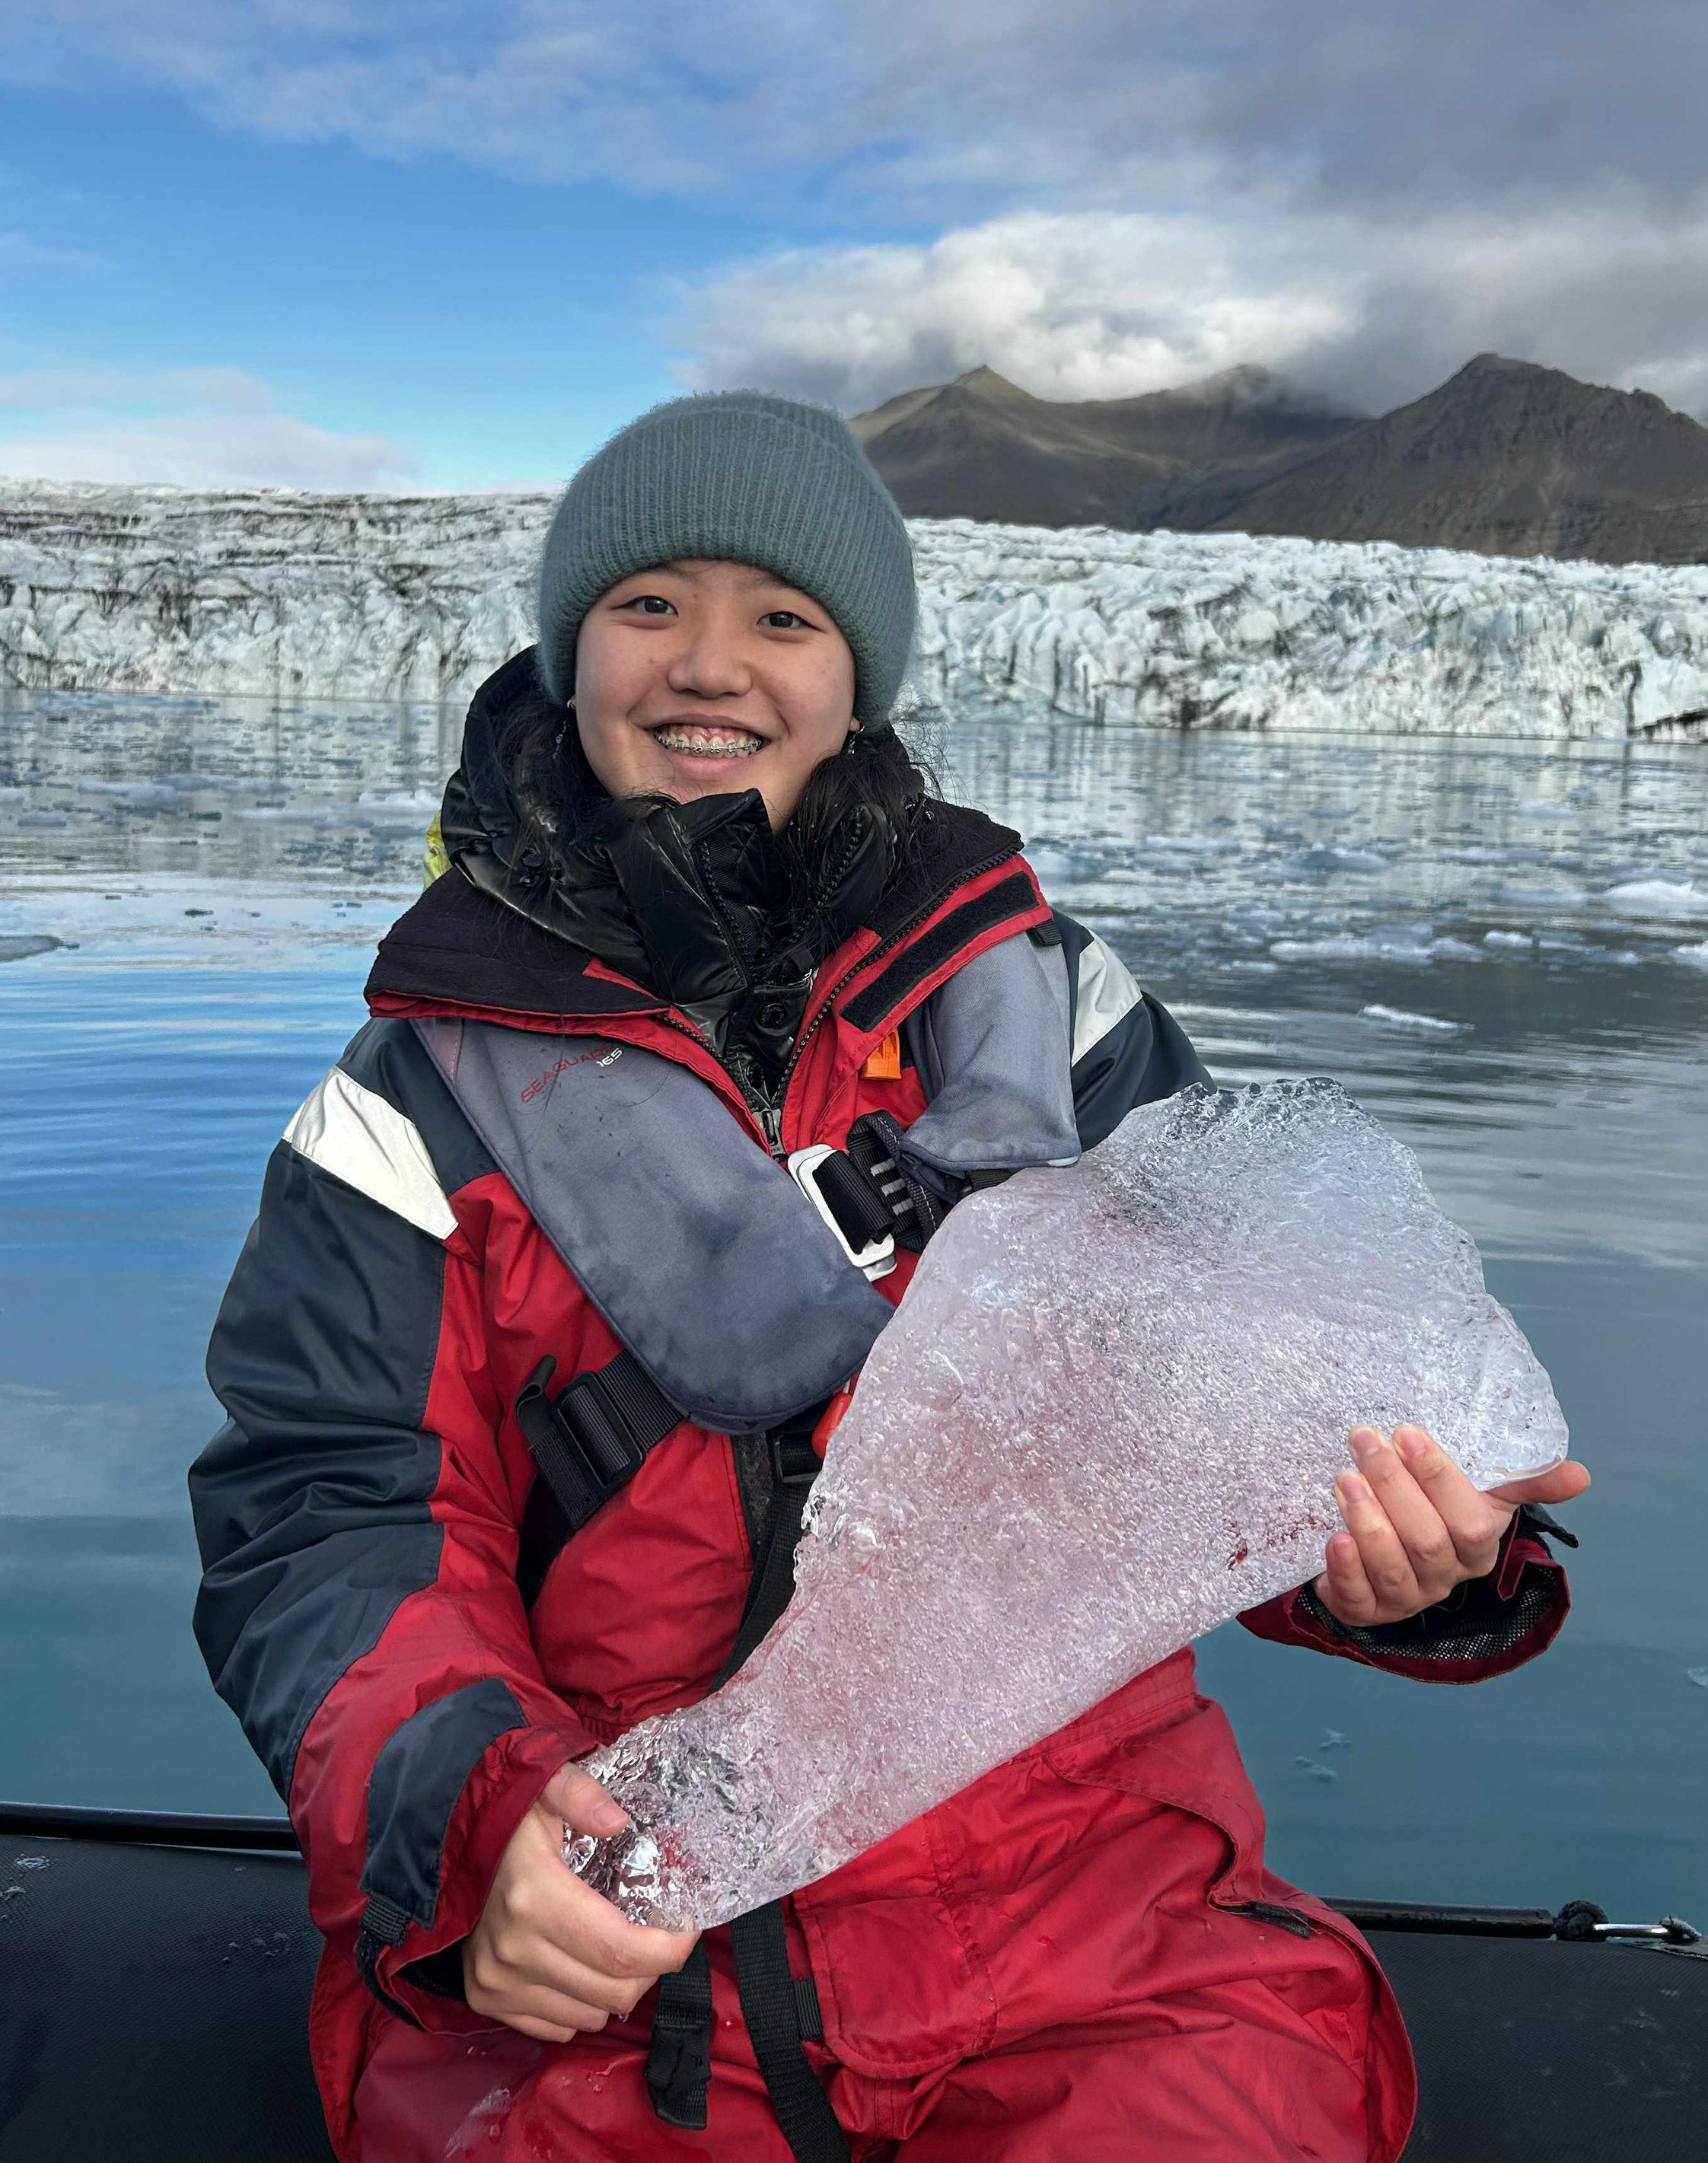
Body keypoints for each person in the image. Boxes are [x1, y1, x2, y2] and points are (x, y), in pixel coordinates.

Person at [190, 391, 1589, 2163]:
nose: (710, 662)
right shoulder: (407, 1106)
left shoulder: (1045, 1011)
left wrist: (1386, 1565)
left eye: (782, 615)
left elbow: (1233, 1391)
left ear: (857, 678)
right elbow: (327, 1516)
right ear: (567, 653)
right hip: (629, 1950)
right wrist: (488, 1830)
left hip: (1090, 1923)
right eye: (646, 603)